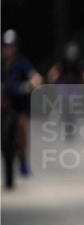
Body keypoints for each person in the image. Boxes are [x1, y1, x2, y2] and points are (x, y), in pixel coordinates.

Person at [1, 29, 43, 176]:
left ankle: (23, 159)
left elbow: (36, 77)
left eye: (11, 46)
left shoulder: (22, 62)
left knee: (22, 127)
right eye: (5, 46)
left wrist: (31, 84)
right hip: (3, 103)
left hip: (20, 104)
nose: (8, 50)